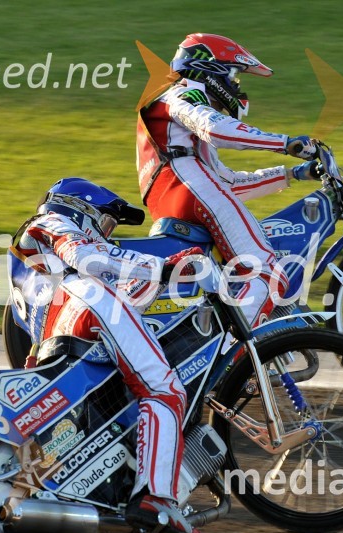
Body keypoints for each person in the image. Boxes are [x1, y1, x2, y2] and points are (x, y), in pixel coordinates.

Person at [10, 177, 204, 533]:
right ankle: (157, 499)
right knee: (164, 390)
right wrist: (163, 268)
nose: (107, 234)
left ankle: (105, 493)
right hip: (89, 304)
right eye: (105, 223)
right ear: (77, 207)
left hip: (57, 334)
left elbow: (114, 286)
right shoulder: (51, 221)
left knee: (115, 404)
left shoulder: (31, 263)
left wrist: (160, 278)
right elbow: (90, 259)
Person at [137, 32, 323, 327]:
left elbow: (228, 185)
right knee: (267, 272)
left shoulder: (181, 141)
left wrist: (291, 174)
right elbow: (215, 129)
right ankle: (236, 349)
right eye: (233, 76)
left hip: (175, 198)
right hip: (189, 189)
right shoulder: (182, 95)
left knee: (235, 279)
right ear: (210, 71)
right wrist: (285, 143)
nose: (236, 86)